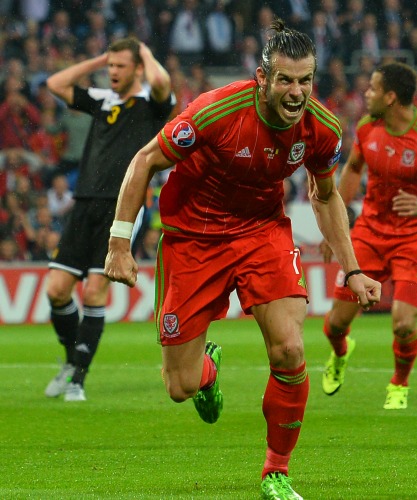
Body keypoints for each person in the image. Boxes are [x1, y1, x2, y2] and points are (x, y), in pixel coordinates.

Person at [104, 19, 381, 500]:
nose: (297, 92)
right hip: (193, 238)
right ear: (262, 78)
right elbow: (145, 160)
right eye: (286, 80)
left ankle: (276, 471)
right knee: (180, 386)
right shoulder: (217, 111)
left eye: (305, 80)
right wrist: (119, 243)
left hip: (261, 233)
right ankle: (206, 370)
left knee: (290, 350)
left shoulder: (322, 129)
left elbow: (326, 193)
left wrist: (352, 267)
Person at [319, 61, 417, 410]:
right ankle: (340, 354)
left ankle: (399, 383)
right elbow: (354, 169)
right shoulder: (368, 127)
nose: (365, 94)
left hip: (415, 237)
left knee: (403, 323)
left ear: (390, 97)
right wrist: (333, 226)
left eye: (371, 88)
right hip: (370, 230)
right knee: (336, 324)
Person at [44, 37, 174, 403]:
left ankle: (77, 381)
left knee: (94, 291)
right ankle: (71, 360)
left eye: (120, 66)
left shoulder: (151, 103)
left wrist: (145, 51)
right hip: (84, 203)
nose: (112, 71)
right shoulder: (103, 100)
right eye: (110, 66)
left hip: (121, 209)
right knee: (56, 289)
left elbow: (162, 83)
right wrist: (99, 57)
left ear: (137, 68)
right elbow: (55, 84)